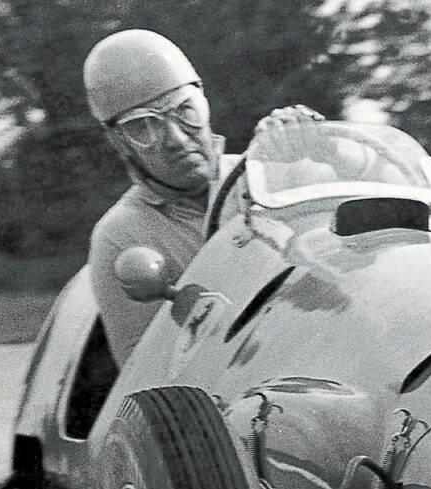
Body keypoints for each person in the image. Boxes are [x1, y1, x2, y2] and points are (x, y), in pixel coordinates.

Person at [81, 29, 319, 363]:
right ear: (119, 143)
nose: (176, 139)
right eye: (143, 127)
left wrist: (313, 146)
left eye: (185, 110)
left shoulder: (273, 173)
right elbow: (145, 378)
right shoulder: (120, 235)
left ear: (205, 102)